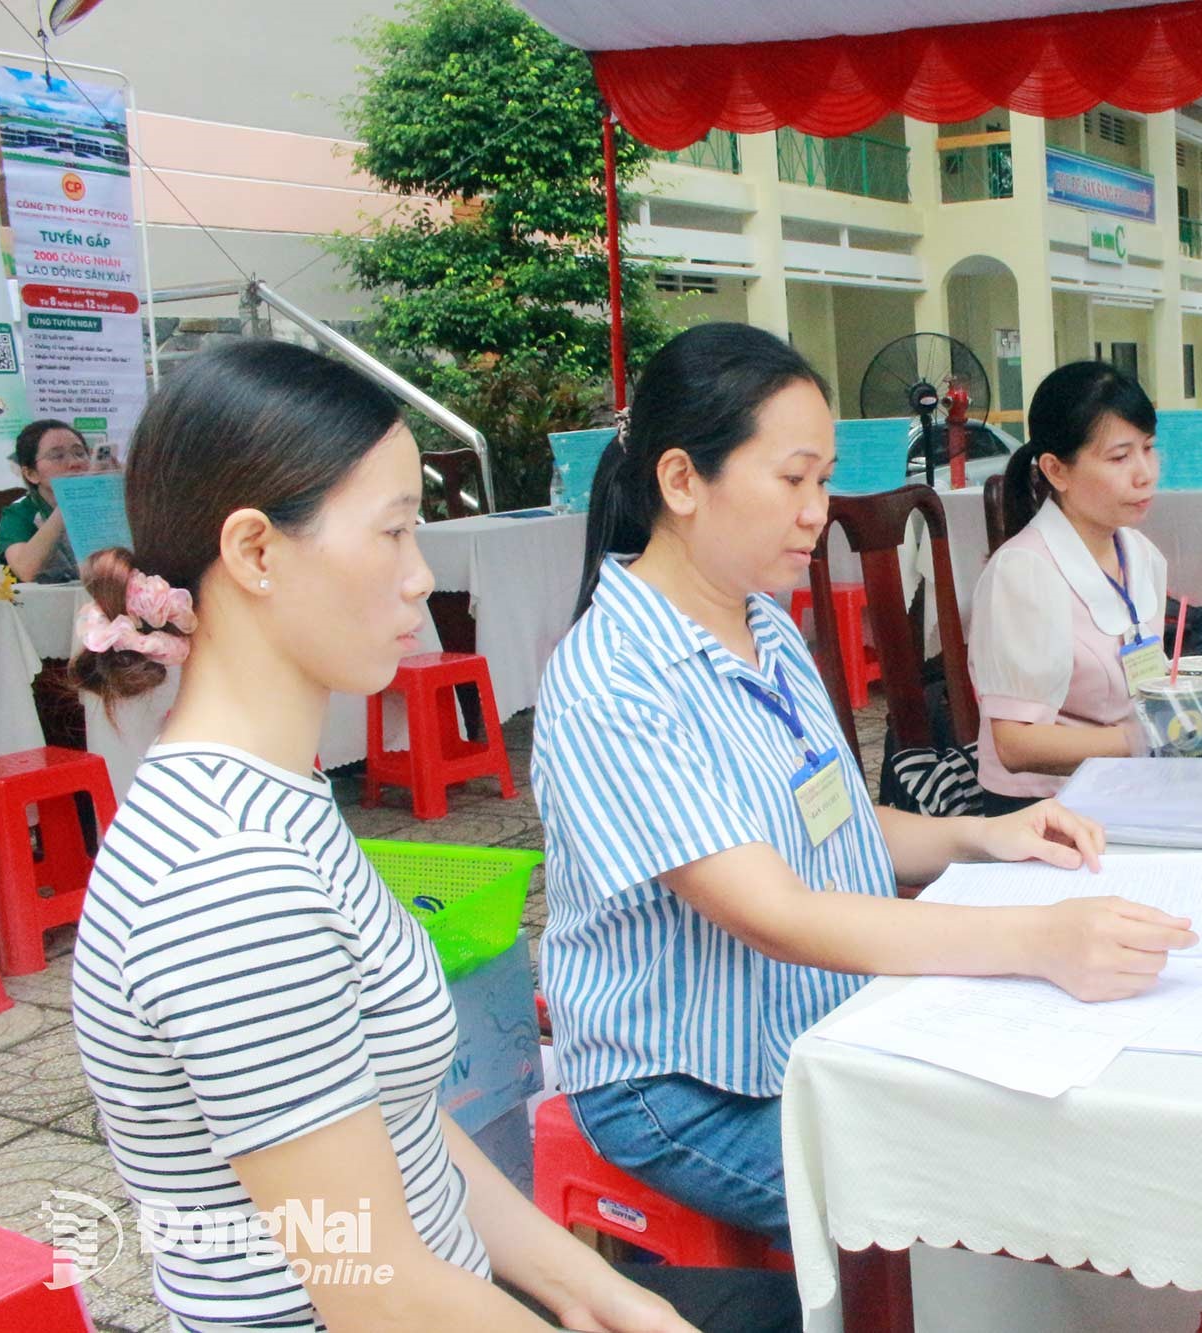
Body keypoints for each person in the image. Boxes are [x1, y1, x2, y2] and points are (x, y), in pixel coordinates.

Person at [67, 342, 788, 1333]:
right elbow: (372, 1290)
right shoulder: (226, 882)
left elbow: (403, 1126)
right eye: (396, 533)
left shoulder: (280, 794)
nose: (420, 579)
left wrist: (602, 1292)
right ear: (254, 552)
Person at [533, 324, 1196, 1250]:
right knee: (987, 1202)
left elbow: (838, 825)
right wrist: (1036, 936)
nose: (819, 510)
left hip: (816, 1020)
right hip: (689, 1087)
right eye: (793, 479)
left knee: (1065, 1124)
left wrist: (986, 836)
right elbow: (778, 913)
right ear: (682, 482)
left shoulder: (762, 626)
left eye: (825, 477)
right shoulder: (613, 678)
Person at [966, 361, 1167, 813]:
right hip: (1047, 810)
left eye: (1149, 448)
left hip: (1126, 786)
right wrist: (1140, 738)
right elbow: (1014, 746)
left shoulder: (1142, 554)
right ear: (1057, 471)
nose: (1145, 472)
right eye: (1120, 457)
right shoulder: (1023, 572)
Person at [0, 417, 90, 583]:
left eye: (79, 453)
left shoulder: (102, 506)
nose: (74, 463)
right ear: (31, 474)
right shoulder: (18, 514)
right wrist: (67, 504)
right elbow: (26, 570)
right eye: (57, 456)